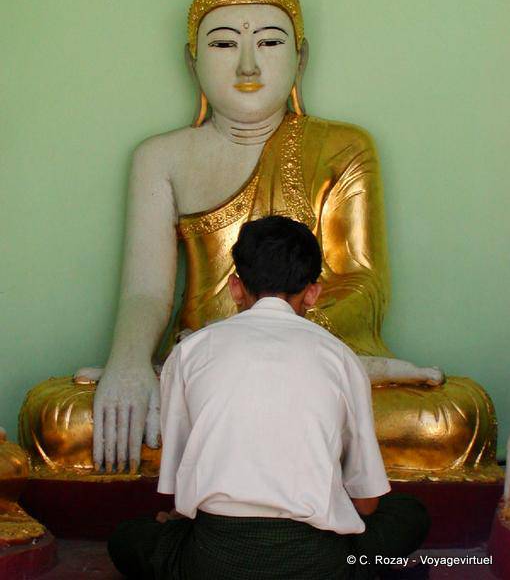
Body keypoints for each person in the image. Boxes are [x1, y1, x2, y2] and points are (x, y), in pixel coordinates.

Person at [19, 0, 497, 482]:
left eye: (269, 42)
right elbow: (147, 294)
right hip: (201, 364)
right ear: (191, 59)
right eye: (223, 43)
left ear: (301, 57)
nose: (248, 66)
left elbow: (361, 285)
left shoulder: (343, 146)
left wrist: (264, 343)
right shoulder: (160, 157)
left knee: (448, 418)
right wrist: (130, 365)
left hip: (304, 358)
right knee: (57, 416)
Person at [108, 216, 430, 579]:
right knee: (408, 514)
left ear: (234, 287)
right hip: (318, 563)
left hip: (212, 561)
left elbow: (182, 491)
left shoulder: (189, 353)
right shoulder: (340, 358)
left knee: (127, 537)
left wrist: (178, 523)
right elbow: (366, 504)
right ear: (312, 292)